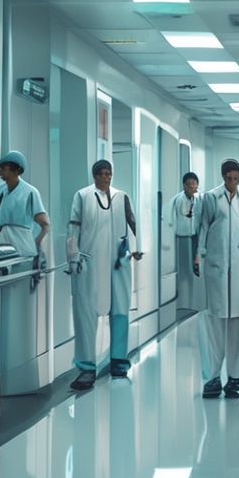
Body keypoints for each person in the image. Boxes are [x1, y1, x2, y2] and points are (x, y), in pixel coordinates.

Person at [66, 160, 142, 390]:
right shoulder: (82, 196)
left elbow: (133, 223)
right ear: (94, 175)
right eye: (101, 173)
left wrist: (136, 248)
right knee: (85, 316)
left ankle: (119, 361)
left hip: (118, 261)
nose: (106, 177)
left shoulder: (122, 196)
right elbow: (73, 229)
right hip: (88, 261)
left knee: (120, 311)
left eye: (109, 173)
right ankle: (87, 369)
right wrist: (73, 256)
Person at [0, 151, 50, 393]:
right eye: (0, 168)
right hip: (1, 247)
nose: (0, 172)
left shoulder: (30, 192)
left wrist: (36, 245)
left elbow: (44, 223)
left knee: (19, 310)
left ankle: (21, 369)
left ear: (15, 170)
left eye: (3, 168)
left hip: (21, 249)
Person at [195, 159, 239, 399]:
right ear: (223, 177)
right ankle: (211, 379)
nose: (233, 182)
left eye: (236, 178)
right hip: (216, 267)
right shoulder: (211, 198)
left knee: (238, 324)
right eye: (229, 178)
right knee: (213, 323)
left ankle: (234, 379)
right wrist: (198, 257)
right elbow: (202, 229)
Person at [169, 172, 204, 311]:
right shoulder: (177, 200)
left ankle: (195, 302)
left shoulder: (200, 199)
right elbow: (171, 220)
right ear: (184, 185)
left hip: (196, 237)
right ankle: (183, 304)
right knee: (184, 272)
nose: (192, 186)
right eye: (189, 184)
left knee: (197, 270)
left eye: (194, 184)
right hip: (182, 238)